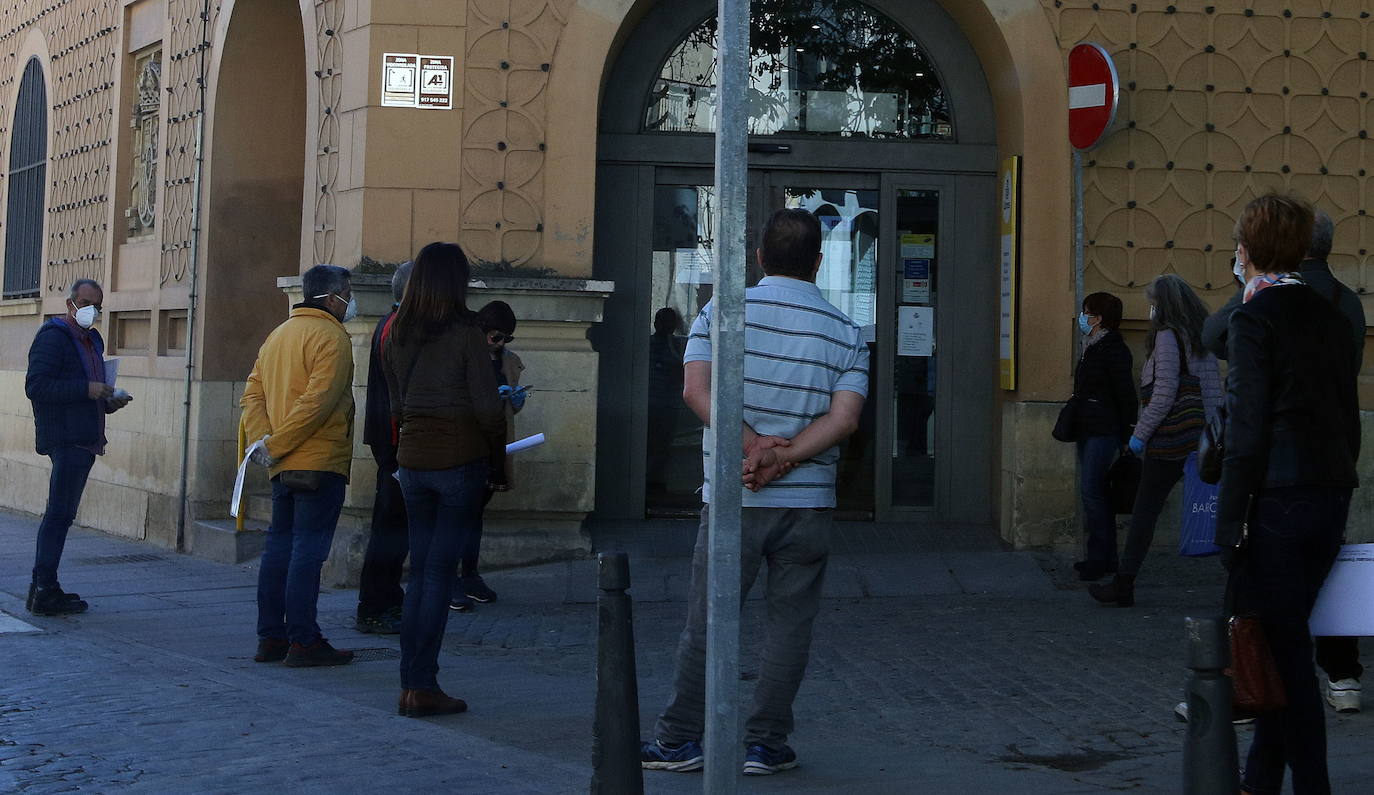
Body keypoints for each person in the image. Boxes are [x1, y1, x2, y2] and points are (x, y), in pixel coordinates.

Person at [640, 208, 869, 776]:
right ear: (818, 262)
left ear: (760, 258)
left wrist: (751, 449)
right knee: (790, 628)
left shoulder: (720, 312)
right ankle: (766, 743)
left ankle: (678, 740)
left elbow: (697, 392)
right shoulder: (845, 331)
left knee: (707, 621)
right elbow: (844, 420)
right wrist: (784, 456)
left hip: (733, 497)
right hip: (809, 502)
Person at [1216, 193, 1359, 794]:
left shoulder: (1254, 317)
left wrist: (1229, 518)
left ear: (1249, 249)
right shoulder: (1332, 313)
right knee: (1281, 645)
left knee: (1288, 658)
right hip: (1329, 491)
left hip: (1277, 497)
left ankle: (1313, 785)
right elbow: (1346, 413)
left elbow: (1247, 427)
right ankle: (1259, 779)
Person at [383, 242, 506, 718]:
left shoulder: (399, 333)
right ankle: (423, 685)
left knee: (419, 575)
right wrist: (498, 425)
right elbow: (486, 410)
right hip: (457, 462)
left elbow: (395, 405)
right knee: (437, 574)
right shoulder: (466, 334)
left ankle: (410, 684)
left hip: (412, 463)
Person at [241, 264, 357, 668]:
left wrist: (265, 444)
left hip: (281, 463)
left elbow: (252, 394)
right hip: (317, 462)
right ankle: (304, 640)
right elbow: (318, 402)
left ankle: (271, 637)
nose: (350, 302)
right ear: (333, 296)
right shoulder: (332, 337)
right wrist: (278, 443)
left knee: (278, 547)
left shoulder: (279, 335)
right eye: (348, 294)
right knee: (307, 551)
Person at [1089, 275, 1222, 607]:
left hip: (1170, 440)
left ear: (1163, 306)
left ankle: (1124, 584)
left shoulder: (1166, 337)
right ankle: (1244, 581)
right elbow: (1213, 390)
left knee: (1145, 511)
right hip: (1200, 438)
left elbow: (1163, 395)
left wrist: (1138, 437)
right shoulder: (1200, 336)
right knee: (1220, 510)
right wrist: (1212, 432)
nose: (1150, 310)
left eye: (1153, 303)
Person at [24, 278, 133, 616]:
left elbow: (91, 386)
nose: (92, 311)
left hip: (86, 435)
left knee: (62, 514)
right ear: (70, 303)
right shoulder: (53, 337)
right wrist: (87, 390)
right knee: (59, 514)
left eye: (98, 305)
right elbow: (37, 386)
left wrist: (107, 399)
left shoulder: (92, 339)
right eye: (86, 303)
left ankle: (44, 586)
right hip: (65, 436)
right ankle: (44, 588)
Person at [449, 299, 525, 611]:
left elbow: (512, 409)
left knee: (475, 513)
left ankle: (469, 574)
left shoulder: (506, 360)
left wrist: (515, 399)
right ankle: (450, 579)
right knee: (458, 514)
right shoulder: (463, 354)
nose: (500, 344)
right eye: (496, 337)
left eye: (506, 339)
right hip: (466, 443)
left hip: (493, 444)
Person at [356, 261, 414, 634]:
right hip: (396, 442)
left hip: (391, 439)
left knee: (393, 529)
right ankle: (377, 605)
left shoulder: (390, 324)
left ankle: (384, 600)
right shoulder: (398, 328)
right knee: (390, 530)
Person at [1067, 292, 1137, 582]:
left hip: (1103, 429)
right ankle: (1105, 558)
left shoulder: (1112, 349)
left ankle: (1099, 559)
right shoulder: (1092, 346)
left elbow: (1125, 394)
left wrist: (1127, 434)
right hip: (1090, 426)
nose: (1083, 318)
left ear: (1098, 318)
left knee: (1092, 491)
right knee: (1096, 492)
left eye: (1087, 313)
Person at [645, 307, 685, 497]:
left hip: (668, 402)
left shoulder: (677, 345)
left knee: (663, 446)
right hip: (651, 401)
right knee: (650, 444)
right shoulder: (647, 344)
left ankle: (656, 480)